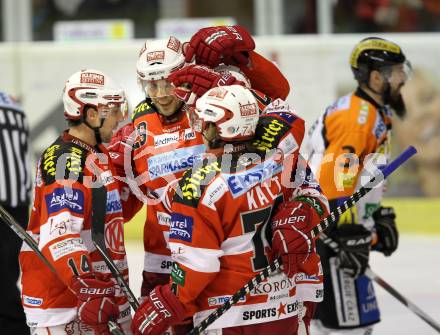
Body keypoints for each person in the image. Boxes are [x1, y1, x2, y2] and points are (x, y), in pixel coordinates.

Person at [130, 85, 329, 335]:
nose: (197, 127)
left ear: (216, 127)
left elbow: (198, 266)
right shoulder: (279, 160)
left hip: (227, 316)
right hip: (283, 308)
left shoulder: (196, 185)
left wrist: (169, 300)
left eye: (202, 121)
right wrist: (304, 212)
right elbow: (315, 197)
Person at [306, 37, 411, 334]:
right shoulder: (358, 119)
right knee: (347, 330)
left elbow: (358, 177)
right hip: (334, 237)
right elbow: (333, 186)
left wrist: (372, 218)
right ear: (377, 77)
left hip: (341, 232)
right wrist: (347, 234)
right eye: (397, 72)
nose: (403, 79)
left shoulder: (372, 111)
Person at [19, 69, 135, 334]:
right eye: (113, 110)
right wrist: (86, 286)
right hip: (65, 306)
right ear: (91, 114)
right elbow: (60, 235)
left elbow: (111, 217)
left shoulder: (95, 154)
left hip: (96, 299)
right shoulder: (66, 161)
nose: (119, 118)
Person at [0, 91, 31, 334]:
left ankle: (16, 329)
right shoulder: (13, 103)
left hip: (6, 207)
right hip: (18, 205)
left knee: (3, 282)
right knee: (6, 277)